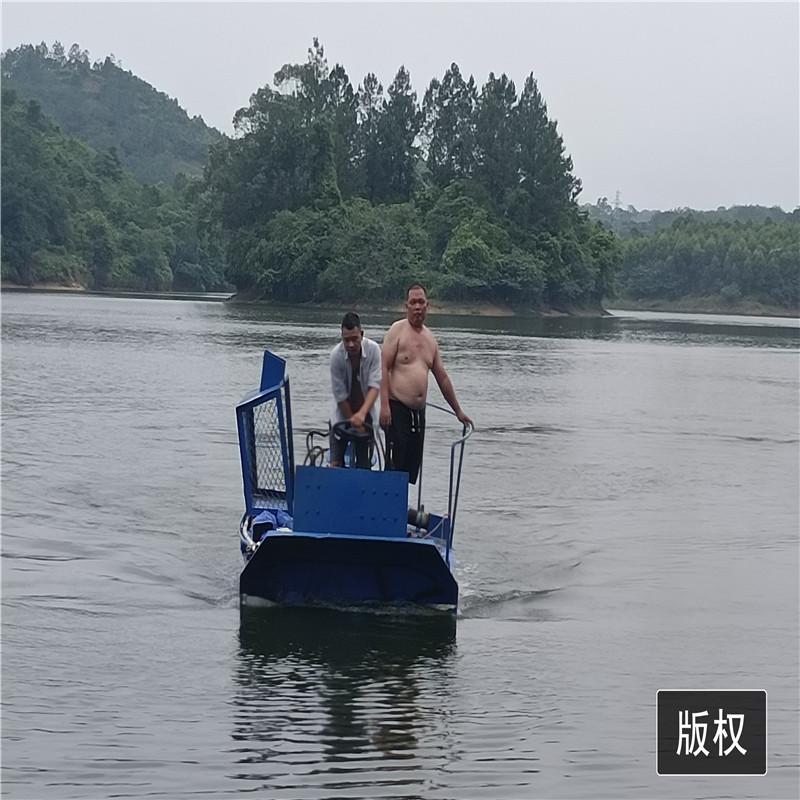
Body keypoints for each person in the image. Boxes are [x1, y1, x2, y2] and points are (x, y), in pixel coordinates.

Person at [380, 284, 473, 483]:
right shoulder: (397, 330)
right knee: (395, 464)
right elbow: (384, 367)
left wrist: (458, 411)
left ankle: (405, 499)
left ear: (427, 306)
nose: (417, 307)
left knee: (411, 466)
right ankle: (390, 500)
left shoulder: (430, 339)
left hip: (418, 413)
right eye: (413, 302)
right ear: (406, 306)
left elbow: (442, 378)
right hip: (397, 407)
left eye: (421, 302)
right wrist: (384, 405)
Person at [330, 312, 381, 468]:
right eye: (347, 340)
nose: (351, 345)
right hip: (342, 416)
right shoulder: (336, 356)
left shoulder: (374, 350)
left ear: (362, 334)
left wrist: (361, 415)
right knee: (336, 462)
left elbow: (375, 386)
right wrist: (352, 419)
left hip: (367, 415)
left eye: (354, 339)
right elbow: (340, 395)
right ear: (342, 337)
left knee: (363, 464)